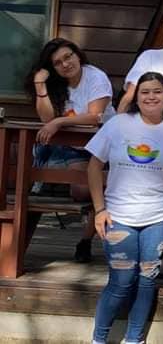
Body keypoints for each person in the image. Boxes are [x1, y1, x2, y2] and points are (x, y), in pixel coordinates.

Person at [86, 71, 163, 344]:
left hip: (161, 217)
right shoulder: (118, 124)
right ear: (136, 97)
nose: (151, 97)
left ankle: (134, 338)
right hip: (118, 216)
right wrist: (99, 209)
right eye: (145, 92)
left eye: (157, 91)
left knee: (147, 278)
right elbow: (94, 166)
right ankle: (99, 338)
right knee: (121, 281)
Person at [25, 37, 115, 262]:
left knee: (86, 191)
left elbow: (95, 116)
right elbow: (46, 119)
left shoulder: (96, 77)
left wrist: (60, 121)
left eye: (68, 57)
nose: (65, 64)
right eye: (58, 62)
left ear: (78, 55)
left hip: (102, 145)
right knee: (76, 189)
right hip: (70, 147)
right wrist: (40, 85)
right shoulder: (55, 84)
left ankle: (85, 240)